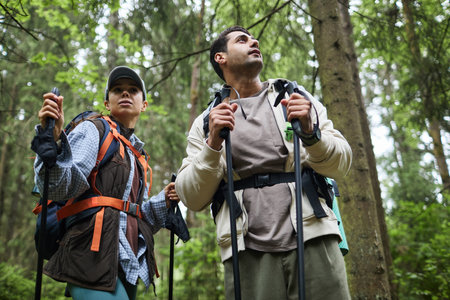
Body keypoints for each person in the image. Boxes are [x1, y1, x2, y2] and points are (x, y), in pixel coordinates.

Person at [175, 26, 352, 299]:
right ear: (220, 58)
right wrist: (212, 145)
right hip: (246, 251)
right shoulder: (206, 121)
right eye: (242, 40)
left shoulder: (294, 98)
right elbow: (191, 197)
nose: (253, 42)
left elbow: (341, 163)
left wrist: (310, 133)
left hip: (314, 237)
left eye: (254, 39)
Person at [34, 66, 178, 299]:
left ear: (144, 104)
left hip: (126, 260)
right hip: (89, 254)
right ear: (107, 103)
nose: (125, 94)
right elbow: (61, 187)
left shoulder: (137, 157)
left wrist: (165, 199)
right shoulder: (94, 130)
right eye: (117, 90)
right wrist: (52, 142)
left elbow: (137, 217)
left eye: (133, 90)